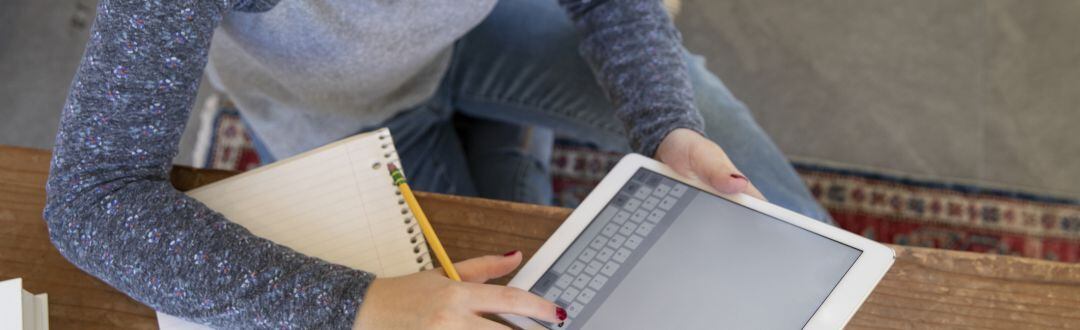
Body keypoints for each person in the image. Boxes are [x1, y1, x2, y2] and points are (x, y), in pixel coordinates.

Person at [44, 0, 830, 328]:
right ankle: (505, 135)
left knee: (711, 129)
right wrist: (356, 305)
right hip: (341, 112)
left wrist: (666, 125)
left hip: (477, 35)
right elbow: (93, 199)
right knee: (500, 299)